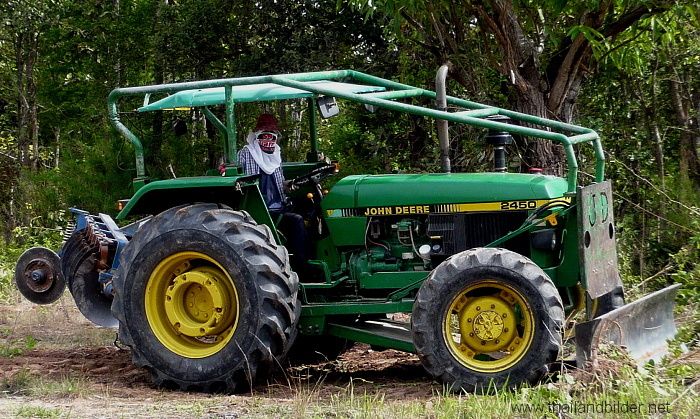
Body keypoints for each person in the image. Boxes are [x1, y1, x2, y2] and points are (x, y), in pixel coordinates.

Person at [238, 113, 309, 275]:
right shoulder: (247, 153)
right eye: (265, 136)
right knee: (297, 221)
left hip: (279, 204)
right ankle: (301, 268)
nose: (269, 140)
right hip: (260, 209)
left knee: (308, 210)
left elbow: (279, 182)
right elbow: (240, 178)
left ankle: (309, 260)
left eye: (272, 136)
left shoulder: (276, 155)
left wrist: (290, 185)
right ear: (257, 136)